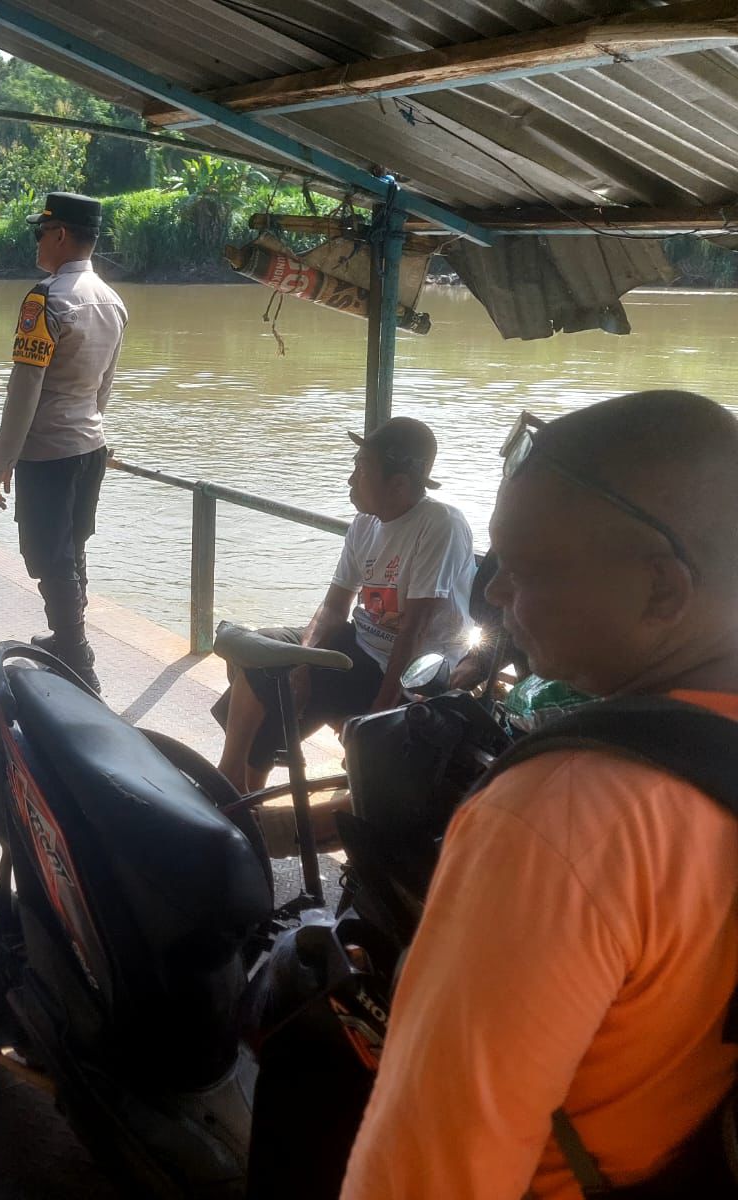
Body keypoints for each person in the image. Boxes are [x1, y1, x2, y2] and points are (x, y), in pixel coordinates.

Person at [343, 391, 738, 1199]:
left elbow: (426, 1177)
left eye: (525, 571)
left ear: (662, 590)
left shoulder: (561, 816)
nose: (492, 594)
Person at [212, 417, 476, 795]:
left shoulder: (439, 524)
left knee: (282, 688)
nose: (351, 479)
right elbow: (334, 605)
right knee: (265, 657)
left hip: (412, 670)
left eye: (362, 470)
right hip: (361, 644)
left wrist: (376, 717)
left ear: (399, 484)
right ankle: (236, 783)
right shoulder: (365, 523)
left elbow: (414, 631)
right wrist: (304, 659)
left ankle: (236, 791)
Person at [0, 192, 127, 693]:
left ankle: (76, 655)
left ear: (61, 235)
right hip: (90, 445)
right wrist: (90, 427)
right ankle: (68, 638)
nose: (37, 242)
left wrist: (3, 457)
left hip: (48, 451)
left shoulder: (45, 300)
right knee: (73, 545)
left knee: (49, 554)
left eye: (41, 232)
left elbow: (25, 386)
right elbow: (105, 384)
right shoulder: (112, 300)